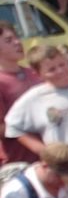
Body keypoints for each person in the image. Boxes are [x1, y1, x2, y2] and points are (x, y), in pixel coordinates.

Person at [0, 23, 40, 165]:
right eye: (8, 40)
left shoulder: (34, 72)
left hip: (49, 158)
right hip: (20, 162)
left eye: (16, 37)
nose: (17, 42)